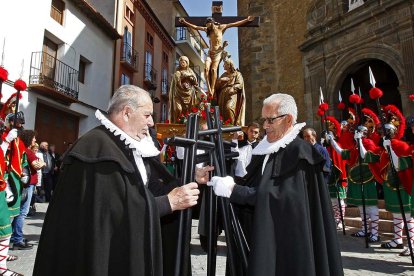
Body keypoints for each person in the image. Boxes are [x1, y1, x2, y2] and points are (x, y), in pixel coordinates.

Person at [33, 85, 213, 276]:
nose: (151, 122)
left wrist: (189, 179)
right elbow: (113, 212)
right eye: (147, 115)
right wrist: (169, 203)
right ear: (127, 112)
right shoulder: (97, 149)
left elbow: (149, 189)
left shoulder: (128, 146)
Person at [207, 93, 343, 275]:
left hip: (288, 245)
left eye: (270, 120)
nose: (264, 126)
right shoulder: (267, 148)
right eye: (264, 120)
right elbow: (256, 183)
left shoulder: (299, 152)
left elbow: (281, 199)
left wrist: (234, 190)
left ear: (288, 120)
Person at [178, 16, 254, 98]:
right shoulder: (207, 30)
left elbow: (234, 24)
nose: (207, 26)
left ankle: (213, 89)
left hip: (218, 53)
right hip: (210, 53)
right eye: (206, 25)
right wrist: (185, 22)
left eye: (208, 24)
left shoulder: (221, 27)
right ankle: (209, 88)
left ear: (212, 22)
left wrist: (246, 20)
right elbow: (196, 27)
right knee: (206, 69)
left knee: (213, 70)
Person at [10, 130, 44, 250]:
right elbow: (37, 165)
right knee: (22, 212)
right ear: (29, 138)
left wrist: (41, 163)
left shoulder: (26, 150)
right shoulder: (28, 151)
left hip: (28, 184)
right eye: (34, 138)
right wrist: (42, 163)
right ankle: (17, 239)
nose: (35, 140)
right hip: (28, 184)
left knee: (19, 212)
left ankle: (15, 236)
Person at [169, 56, 199, 123]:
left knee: (188, 111)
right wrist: (187, 75)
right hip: (178, 94)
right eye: (181, 61)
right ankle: (176, 123)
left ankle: (186, 123)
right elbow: (177, 81)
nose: (182, 63)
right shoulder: (177, 72)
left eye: (184, 61)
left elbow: (195, 82)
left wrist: (191, 77)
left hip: (189, 95)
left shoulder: (191, 72)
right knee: (178, 109)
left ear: (187, 63)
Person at [215, 58, 245, 126]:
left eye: (225, 64)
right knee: (221, 110)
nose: (223, 66)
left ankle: (232, 126)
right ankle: (224, 125)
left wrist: (233, 88)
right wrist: (220, 80)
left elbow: (240, 84)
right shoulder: (223, 75)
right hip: (222, 94)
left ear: (229, 65)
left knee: (228, 108)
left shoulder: (237, 74)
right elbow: (217, 87)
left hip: (232, 94)